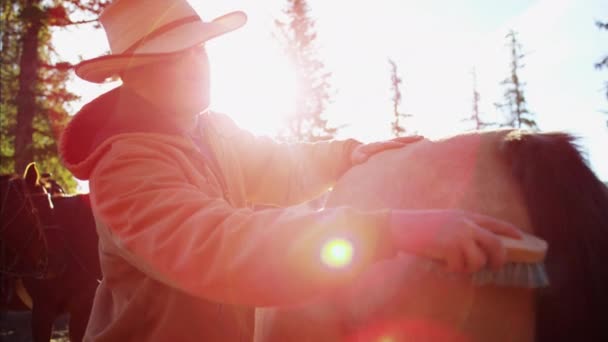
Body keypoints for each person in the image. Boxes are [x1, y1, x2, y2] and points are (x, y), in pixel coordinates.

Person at [59, 0, 522, 341]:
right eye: (173, 55)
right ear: (134, 73)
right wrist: (391, 231)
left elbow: (280, 164)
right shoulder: (124, 169)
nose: (196, 63)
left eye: (198, 48)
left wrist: (347, 155)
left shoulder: (211, 131)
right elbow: (220, 246)